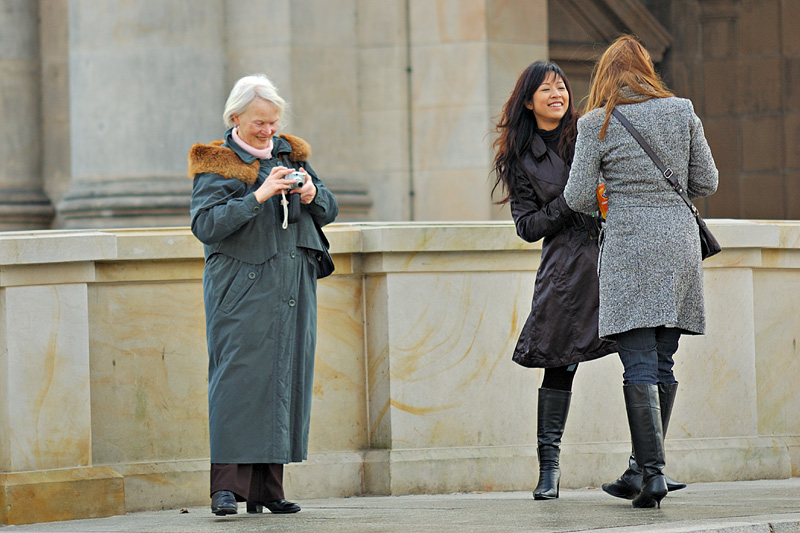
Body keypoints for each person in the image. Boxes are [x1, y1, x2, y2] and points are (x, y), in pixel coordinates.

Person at [563, 35, 718, 509]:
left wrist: (617, 192)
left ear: (604, 74)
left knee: (638, 363)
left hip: (630, 245)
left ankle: (652, 473)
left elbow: (577, 198)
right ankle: (643, 471)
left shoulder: (595, 123)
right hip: (677, 245)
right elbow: (706, 181)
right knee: (663, 361)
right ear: (648, 69)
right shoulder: (681, 109)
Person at [188, 74, 338, 516]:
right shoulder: (217, 161)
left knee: (280, 376)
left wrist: (311, 192)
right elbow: (206, 225)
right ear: (235, 118)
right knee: (237, 382)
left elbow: (328, 208)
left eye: (273, 122)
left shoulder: (291, 154)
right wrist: (260, 194)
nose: (268, 131)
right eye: (259, 123)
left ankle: (267, 490)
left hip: (290, 285)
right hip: (239, 289)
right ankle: (225, 490)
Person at [492, 61, 617, 500]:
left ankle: (647, 465)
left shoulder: (591, 131)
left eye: (561, 86)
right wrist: (570, 202)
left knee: (643, 357)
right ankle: (549, 469)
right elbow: (526, 226)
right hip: (566, 269)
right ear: (529, 101)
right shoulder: (519, 156)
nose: (557, 93)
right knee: (559, 363)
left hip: (614, 254)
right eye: (546, 89)